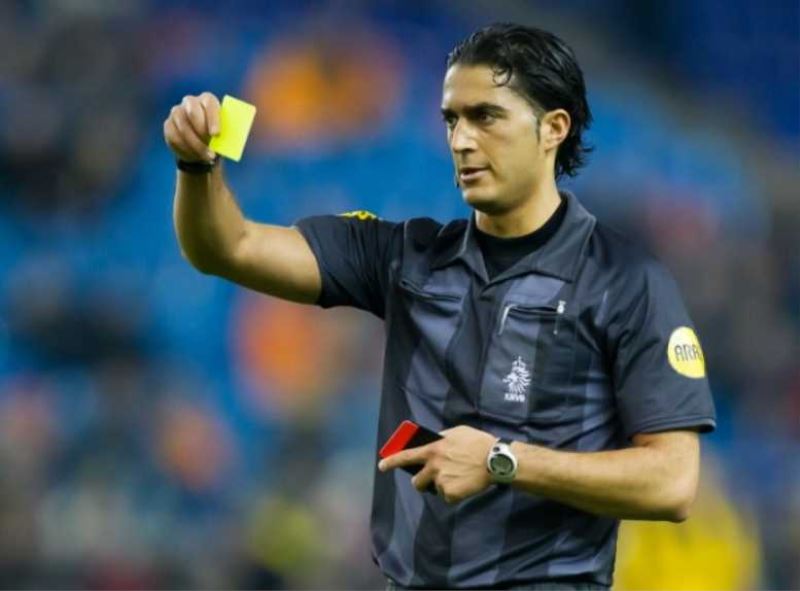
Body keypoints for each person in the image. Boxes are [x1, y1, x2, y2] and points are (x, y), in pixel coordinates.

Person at [164, 22, 716, 591]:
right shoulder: (408, 258)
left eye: (486, 117)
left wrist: (502, 460)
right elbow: (228, 248)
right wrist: (197, 167)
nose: (462, 140)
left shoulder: (626, 282)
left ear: (553, 128)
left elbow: (673, 482)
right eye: (452, 119)